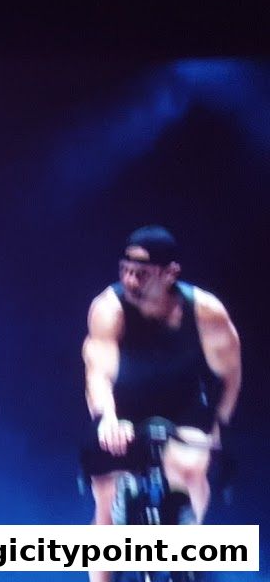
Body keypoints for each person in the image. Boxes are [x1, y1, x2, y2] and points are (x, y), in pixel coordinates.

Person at [81, 226, 241, 582]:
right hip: (123, 407)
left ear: (170, 274)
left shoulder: (207, 313)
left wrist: (218, 427)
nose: (130, 280)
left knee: (192, 468)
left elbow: (229, 377)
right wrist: (107, 417)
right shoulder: (109, 309)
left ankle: (188, 552)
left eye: (142, 273)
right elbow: (98, 371)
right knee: (106, 507)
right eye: (125, 270)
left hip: (184, 406)